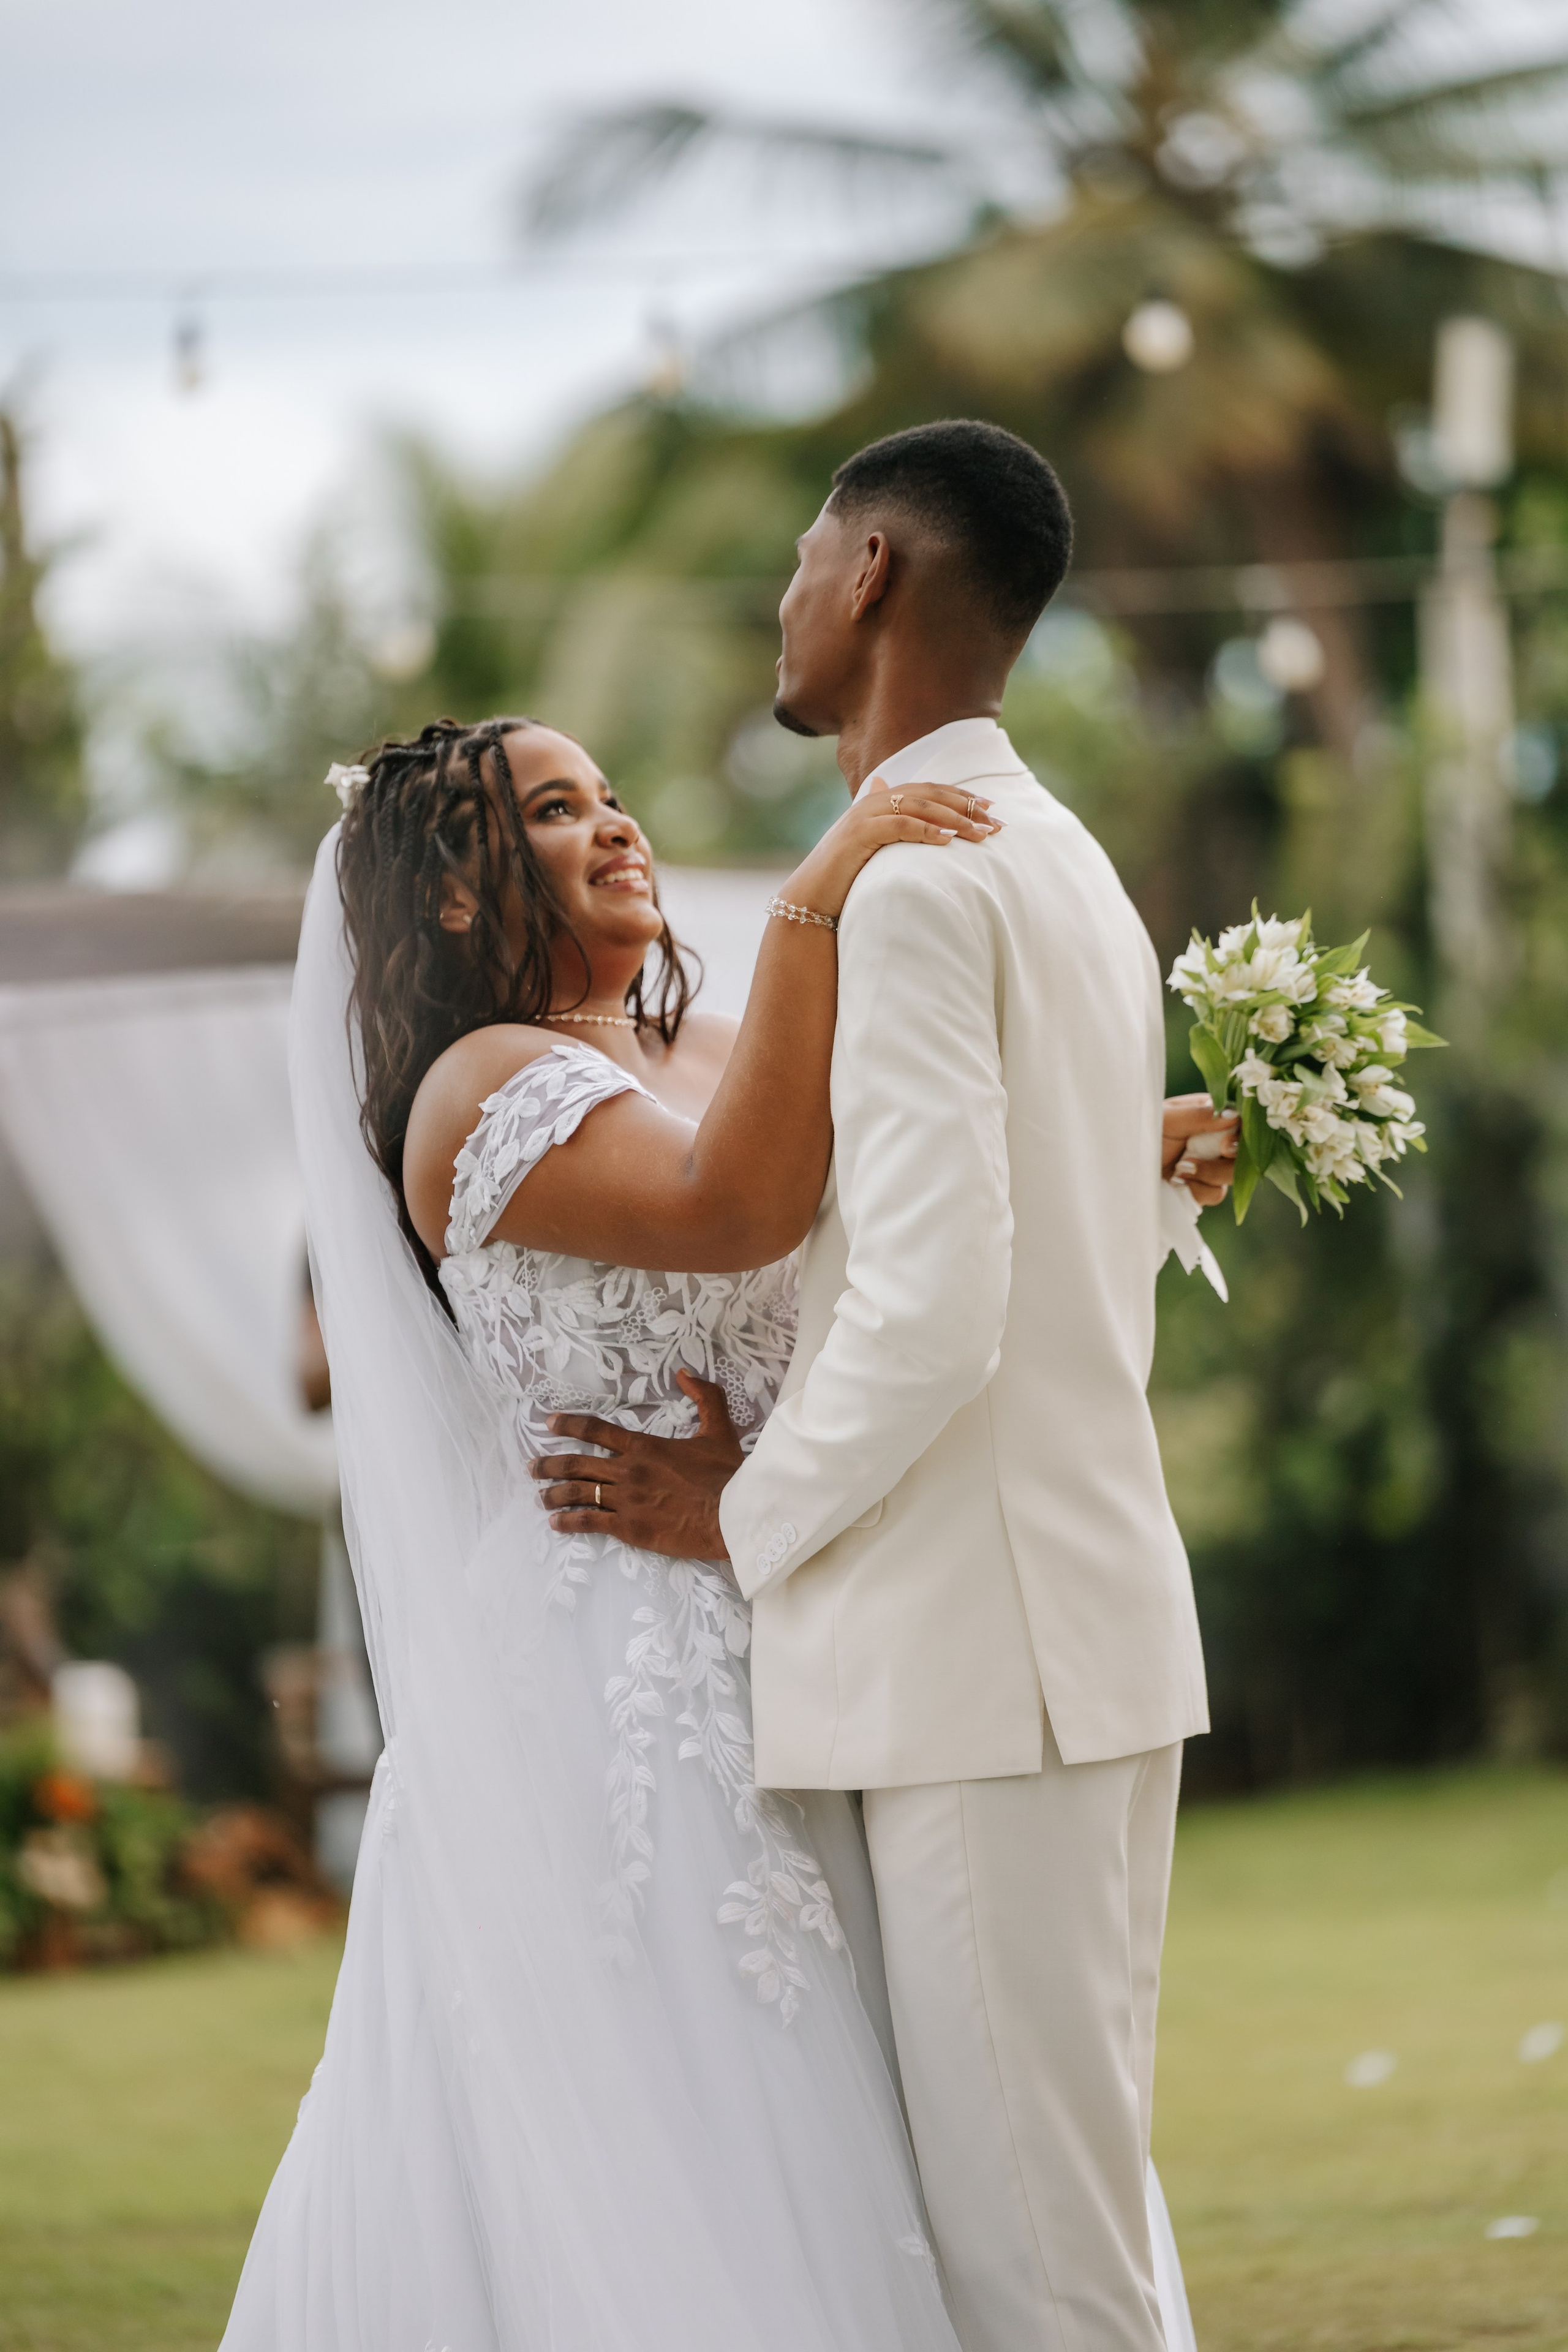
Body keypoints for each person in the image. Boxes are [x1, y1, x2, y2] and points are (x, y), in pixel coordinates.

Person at [527, 420, 1220, 2352]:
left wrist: (736, 1515)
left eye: (800, 558)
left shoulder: (913, 889)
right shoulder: (1070, 864)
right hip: (1069, 1639)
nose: (784, 599)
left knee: (1032, 2277)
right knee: (1072, 2230)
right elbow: (1051, 1241)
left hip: (980, 1666)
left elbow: (934, 1307)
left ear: (873, 576)